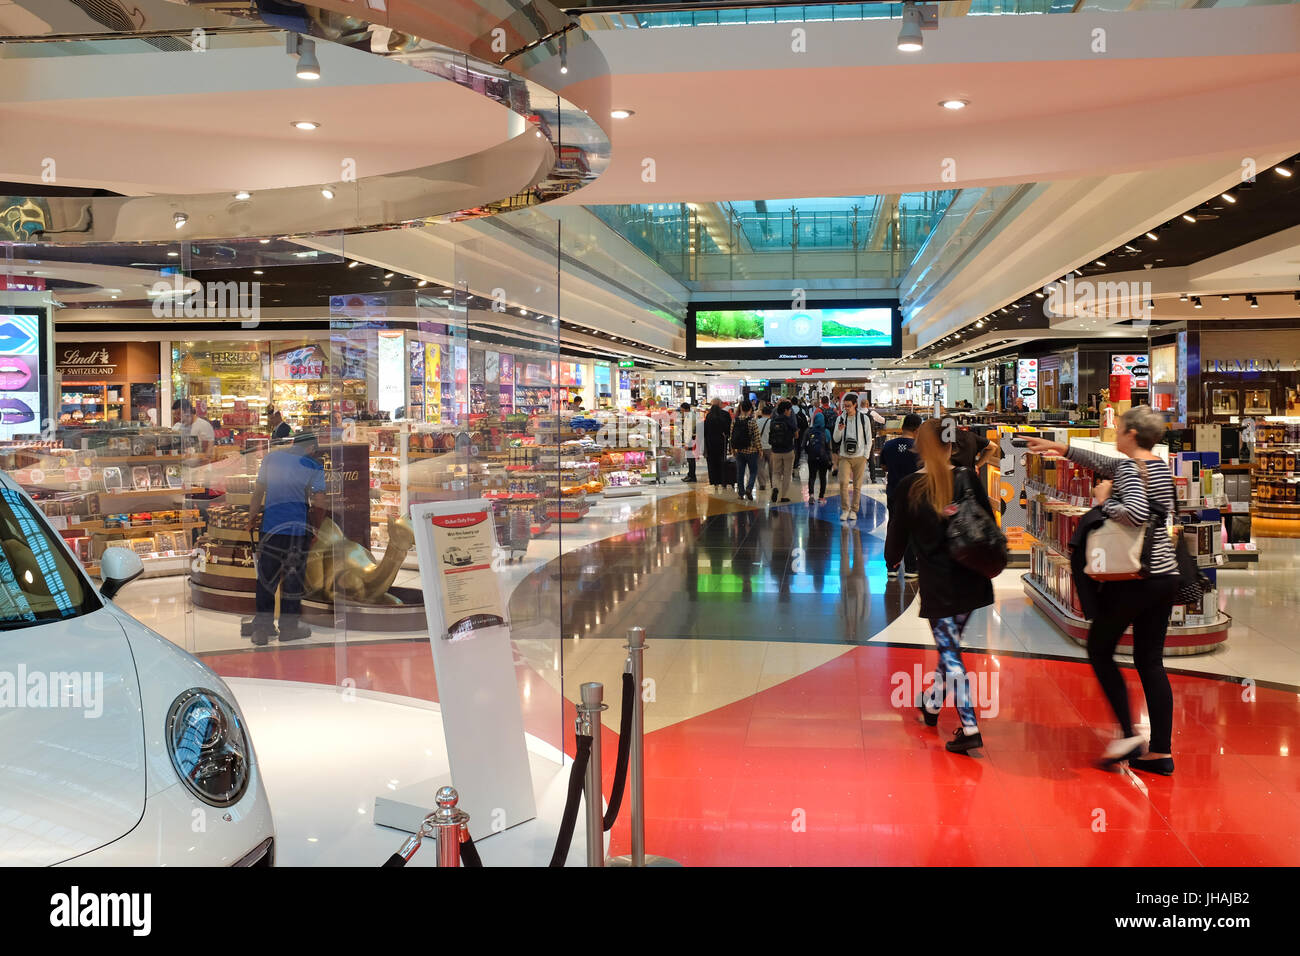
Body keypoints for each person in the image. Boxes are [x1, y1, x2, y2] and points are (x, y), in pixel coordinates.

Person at [1024, 406, 1180, 775]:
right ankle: (1161, 753)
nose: (1115, 432)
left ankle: (1128, 734)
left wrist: (1104, 500)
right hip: (1163, 575)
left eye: (1120, 427)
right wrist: (1060, 449)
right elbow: (1110, 465)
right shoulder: (1157, 465)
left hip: (1133, 578)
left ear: (1131, 433)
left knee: (1099, 650)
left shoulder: (1129, 469)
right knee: (1149, 661)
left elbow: (1135, 513)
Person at [884, 418, 995, 754]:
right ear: (951, 446)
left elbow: (897, 535)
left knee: (950, 652)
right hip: (972, 577)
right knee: (950, 648)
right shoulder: (967, 478)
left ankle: (970, 725)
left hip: (939, 582)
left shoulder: (910, 487)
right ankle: (931, 705)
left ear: (923, 446)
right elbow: (988, 518)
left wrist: (893, 559)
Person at [247, 431, 327, 645]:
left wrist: (251, 518)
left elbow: (258, 492)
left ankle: (262, 630)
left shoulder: (271, 458)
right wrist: (316, 528)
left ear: (293, 442)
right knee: (292, 581)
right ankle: (288, 629)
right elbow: (319, 501)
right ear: (311, 448)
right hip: (296, 531)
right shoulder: (314, 466)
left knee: (266, 579)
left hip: (271, 528)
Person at [881, 413, 922, 578]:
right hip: (914, 494)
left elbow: (884, 467)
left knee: (893, 528)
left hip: (894, 492)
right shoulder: (920, 448)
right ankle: (911, 568)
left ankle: (892, 566)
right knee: (912, 528)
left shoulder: (889, 445)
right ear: (917, 429)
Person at [831, 392, 884, 522]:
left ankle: (854, 510)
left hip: (860, 456)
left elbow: (868, 438)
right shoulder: (840, 418)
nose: (846, 408)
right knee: (843, 482)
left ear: (855, 405)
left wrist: (865, 456)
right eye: (845, 406)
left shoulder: (863, 419)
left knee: (857, 485)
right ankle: (845, 509)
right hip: (844, 456)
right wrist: (839, 429)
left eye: (849, 406)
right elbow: (835, 438)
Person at [767, 400, 799, 504]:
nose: (790, 411)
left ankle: (775, 488)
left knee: (776, 472)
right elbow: (796, 435)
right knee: (787, 473)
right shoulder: (789, 421)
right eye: (789, 409)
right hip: (788, 450)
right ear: (785, 410)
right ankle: (783, 496)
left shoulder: (773, 420)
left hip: (775, 450)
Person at [730, 399, 762, 501]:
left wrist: (732, 449)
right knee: (753, 471)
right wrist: (760, 450)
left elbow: (731, 436)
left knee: (740, 472)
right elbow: (757, 437)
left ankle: (740, 493)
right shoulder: (752, 421)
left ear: (741, 408)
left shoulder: (735, 421)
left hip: (739, 450)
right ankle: (749, 488)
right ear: (750, 410)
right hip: (752, 451)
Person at [803, 408, 833, 505]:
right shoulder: (826, 432)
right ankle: (821, 497)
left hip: (812, 457)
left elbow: (803, 445)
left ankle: (811, 495)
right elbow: (829, 447)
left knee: (812, 476)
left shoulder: (809, 431)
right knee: (822, 477)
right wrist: (830, 459)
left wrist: (809, 452)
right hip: (823, 457)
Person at [702, 398, 731, 492]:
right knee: (722, 461)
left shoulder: (709, 415)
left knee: (711, 462)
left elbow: (705, 430)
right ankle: (723, 480)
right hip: (721, 442)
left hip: (710, 442)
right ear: (720, 404)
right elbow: (729, 429)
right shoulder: (725, 415)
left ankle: (714, 482)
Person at [677, 402, 698, 482]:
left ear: (686, 409)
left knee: (691, 459)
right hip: (690, 439)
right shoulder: (689, 415)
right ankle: (690, 474)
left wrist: (687, 443)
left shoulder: (690, 416)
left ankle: (692, 476)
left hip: (690, 440)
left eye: (682, 410)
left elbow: (689, 430)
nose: (681, 412)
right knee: (690, 459)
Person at [755, 402, 773, 493]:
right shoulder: (771, 422)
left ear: (762, 413)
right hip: (770, 447)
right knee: (772, 466)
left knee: (760, 467)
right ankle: (773, 483)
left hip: (759, 447)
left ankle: (762, 484)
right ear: (770, 414)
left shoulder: (756, 422)